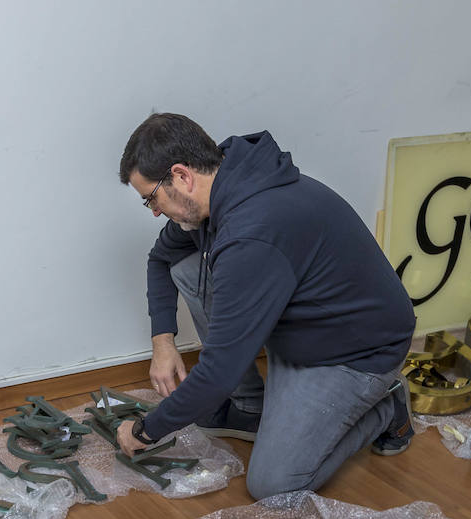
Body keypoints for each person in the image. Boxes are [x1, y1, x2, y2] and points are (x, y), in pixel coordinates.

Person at [115, 113, 417, 499]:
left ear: (181, 176)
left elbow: (218, 373)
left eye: (151, 198)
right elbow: (160, 259)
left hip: (354, 353)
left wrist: (145, 430)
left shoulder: (252, 233)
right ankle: (251, 405)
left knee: (275, 487)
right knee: (188, 265)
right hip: (303, 327)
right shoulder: (224, 190)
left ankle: (386, 407)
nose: (155, 211)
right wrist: (163, 340)